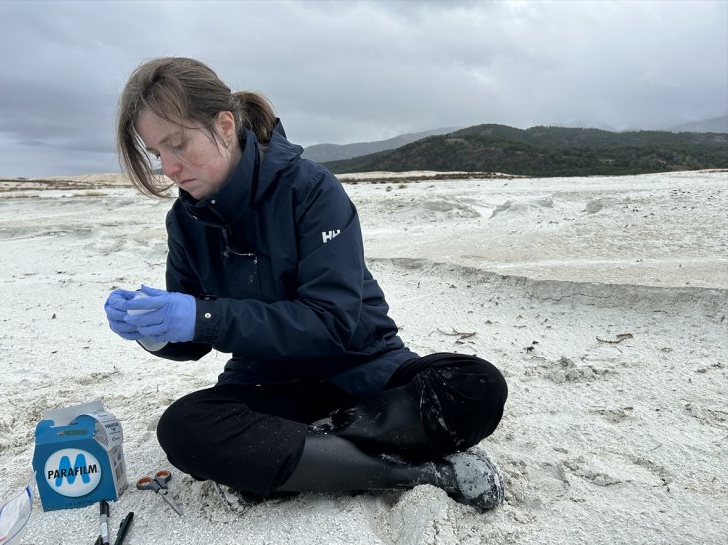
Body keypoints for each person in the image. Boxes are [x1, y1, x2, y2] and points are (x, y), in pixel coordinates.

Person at [105, 57, 508, 512]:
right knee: (183, 428)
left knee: (476, 385)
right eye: (158, 154)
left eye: (178, 145)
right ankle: (411, 473)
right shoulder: (185, 221)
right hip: (270, 385)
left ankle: (305, 454)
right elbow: (193, 338)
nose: (170, 168)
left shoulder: (311, 189)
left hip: (363, 369)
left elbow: (331, 322)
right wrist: (154, 333)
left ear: (223, 124)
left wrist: (204, 316)